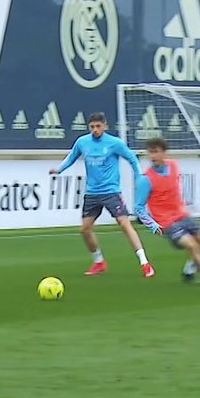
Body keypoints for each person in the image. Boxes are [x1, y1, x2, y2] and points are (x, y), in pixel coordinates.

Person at [50, 112, 154, 277]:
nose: (95, 130)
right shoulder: (83, 142)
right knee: (85, 230)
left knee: (125, 224)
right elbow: (71, 157)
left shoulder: (114, 143)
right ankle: (99, 262)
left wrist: (138, 175)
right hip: (92, 193)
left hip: (111, 192)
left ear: (105, 126)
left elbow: (132, 158)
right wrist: (59, 169)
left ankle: (144, 262)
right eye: (92, 127)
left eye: (98, 126)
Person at [135, 138, 200, 286]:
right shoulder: (146, 179)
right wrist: (153, 225)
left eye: (156, 152)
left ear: (164, 153)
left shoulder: (173, 166)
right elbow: (138, 207)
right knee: (192, 245)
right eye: (150, 152)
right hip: (166, 222)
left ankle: (189, 270)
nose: (153, 156)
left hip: (182, 216)